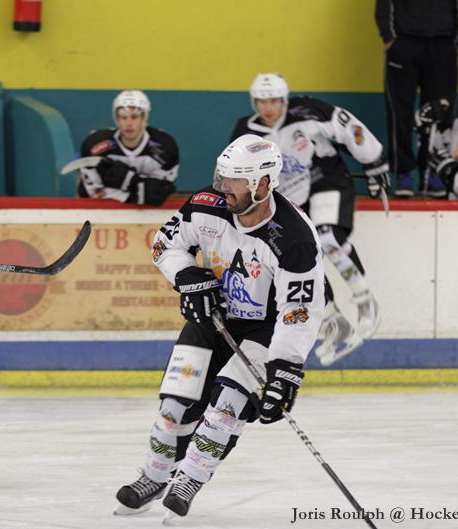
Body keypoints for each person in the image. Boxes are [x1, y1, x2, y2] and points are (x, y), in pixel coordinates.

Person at [114, 135, 325, 519]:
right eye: (222, 176)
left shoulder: (294, 237)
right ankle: (155, 475)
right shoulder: (204, 205)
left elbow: (299, 309)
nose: (223, 186)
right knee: (175, 403)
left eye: (235, 179)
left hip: (263, 332)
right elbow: (164, 246)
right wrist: (187, 277)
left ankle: (189, 478)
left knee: (227, 406)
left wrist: (285, 366)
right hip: (210, 319)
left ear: (263, 184)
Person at [230, 73, 387, 365]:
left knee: (328, 238)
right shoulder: (246, 131)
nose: (268, 107)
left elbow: (349, 126)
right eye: (262, 101)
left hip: (326, 181)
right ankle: (332, 320)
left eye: (274, 100)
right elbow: (238, 174)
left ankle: (365, 302)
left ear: (284, 99)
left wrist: (374, 161)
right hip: (289, 200)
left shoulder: (308, 110)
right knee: (300, 260)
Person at [377, 0, 458, 197]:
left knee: (441, 112)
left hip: (443, 41)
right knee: (399, 112)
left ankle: (434, 170)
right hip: (403, 40)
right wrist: (389, 36)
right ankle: (403, 173)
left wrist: (456, 39)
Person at [77, 90, 178, 206]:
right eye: (123, 117)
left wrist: (127, 181)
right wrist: (135, 192)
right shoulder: (95, 145)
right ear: (117, 119)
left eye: (134, 117)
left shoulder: (165, 146)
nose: (129, 123)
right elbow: (95, 193)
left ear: (144, 119)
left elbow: (156, 193)